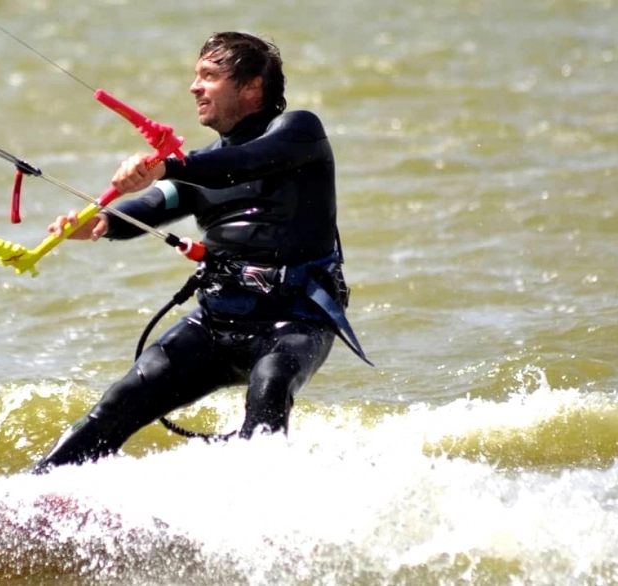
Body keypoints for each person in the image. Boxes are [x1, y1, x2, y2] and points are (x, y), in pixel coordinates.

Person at [31, 31, 370, 473]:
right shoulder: (201, 164)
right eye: (196, 76)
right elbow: (157, 204)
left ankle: (263, 507)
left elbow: (241, 166)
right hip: (215, 322)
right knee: (120, 401)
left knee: (270, 386)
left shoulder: (298, 133)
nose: (194, 87)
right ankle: (34, 491)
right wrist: (104, 223)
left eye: (209, 76)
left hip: (294, 321)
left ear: (251, 86)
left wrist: (165, 165)